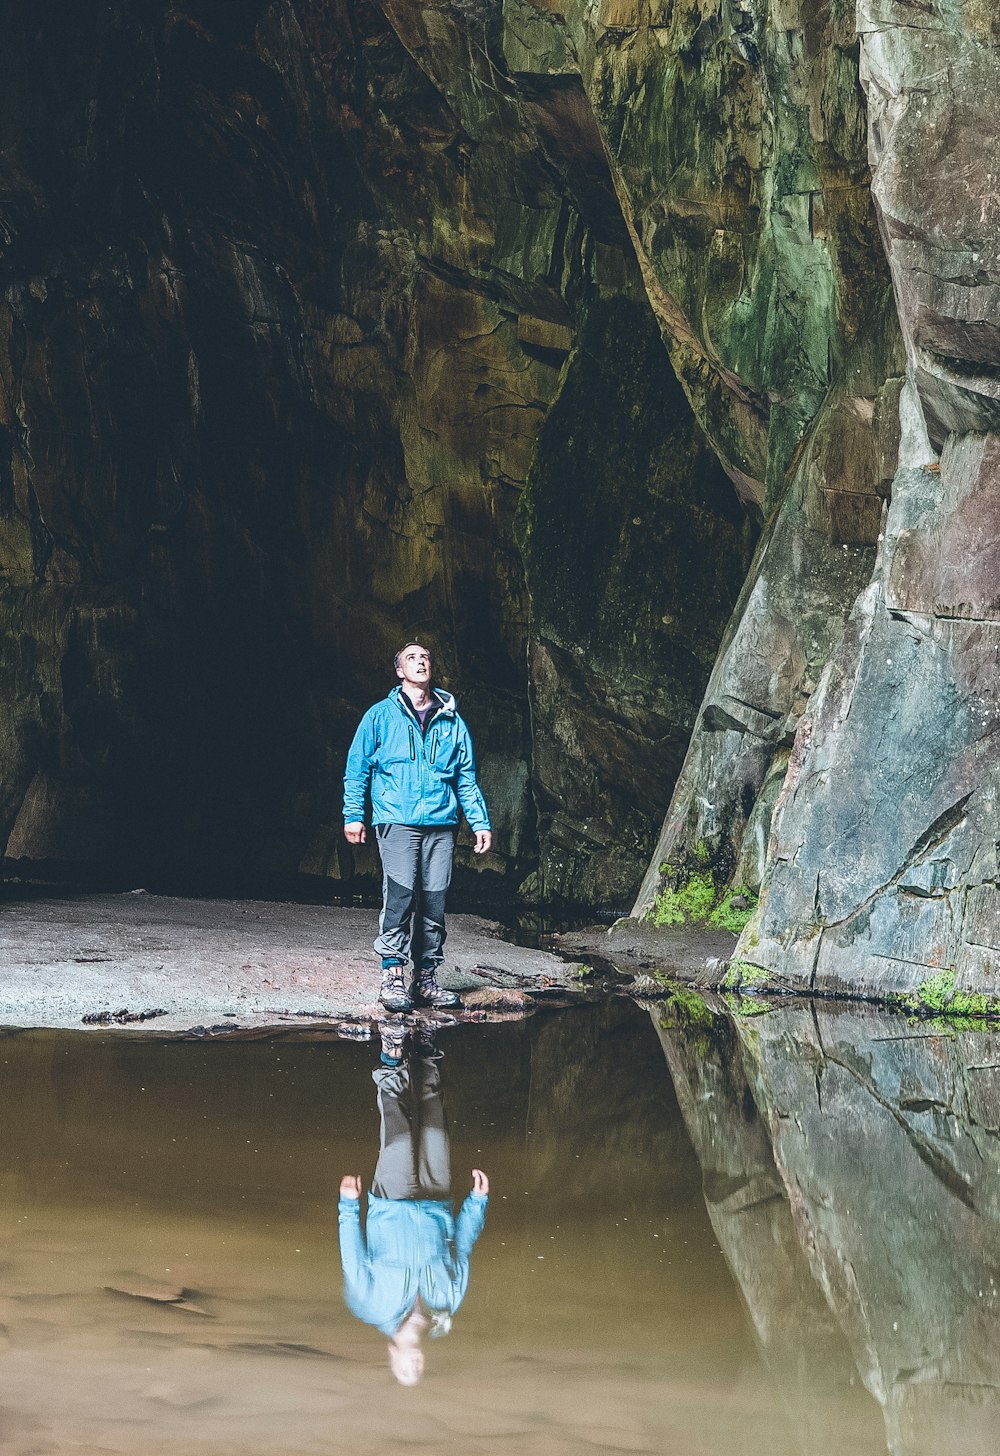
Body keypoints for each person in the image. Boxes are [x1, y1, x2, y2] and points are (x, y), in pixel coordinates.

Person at [343, 643, 492, 1013]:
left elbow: (465, 779)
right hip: (396, 820)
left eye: (424, 657)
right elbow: (357, 768)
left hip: (441, 824)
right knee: (400, 897)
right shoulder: (379, 716)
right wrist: (353, 815)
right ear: (399, 671)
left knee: (435, 902)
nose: (420, 661)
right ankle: (392, 974)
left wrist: (480, 823)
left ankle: (425, 978)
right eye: (411, 657)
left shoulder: (452, 720)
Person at [338, 1023, 489, 1385]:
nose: (416, 1366)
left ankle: (391, 1056)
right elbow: (462, 1249)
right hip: (437, 1202)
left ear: (393, 1355)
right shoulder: (446, 1306)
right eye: (419, 1371)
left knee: (399, 1130)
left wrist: (348, 1208)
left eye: (406, 1369)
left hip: (391, 1204)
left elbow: (353, 1257)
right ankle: (426, 1046)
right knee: (435, 1121)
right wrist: (477, 1203)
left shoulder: (370, 1307)